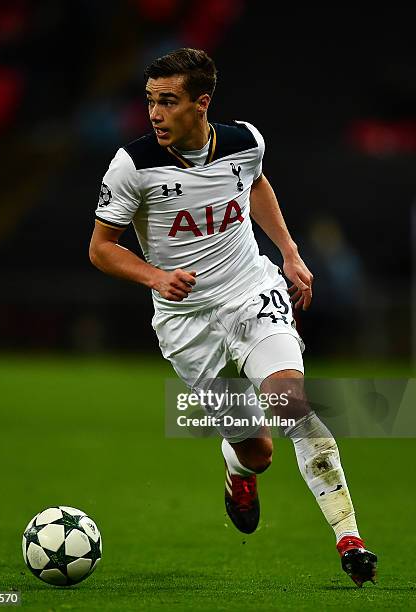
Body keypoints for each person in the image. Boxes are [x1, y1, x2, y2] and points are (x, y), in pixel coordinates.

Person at [89, 48, 377, 586]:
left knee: (291, 402)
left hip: (250, 292)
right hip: (186, 322)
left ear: (201, 104)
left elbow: (257, 182)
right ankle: (239, 469)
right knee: (259, 450)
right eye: (150, 101)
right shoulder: (133, 165)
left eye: (167, 102)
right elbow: (101, 248)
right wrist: (154, 277)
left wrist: (289, 253)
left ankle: (350, 539)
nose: (154, 114)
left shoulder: (245, 142)